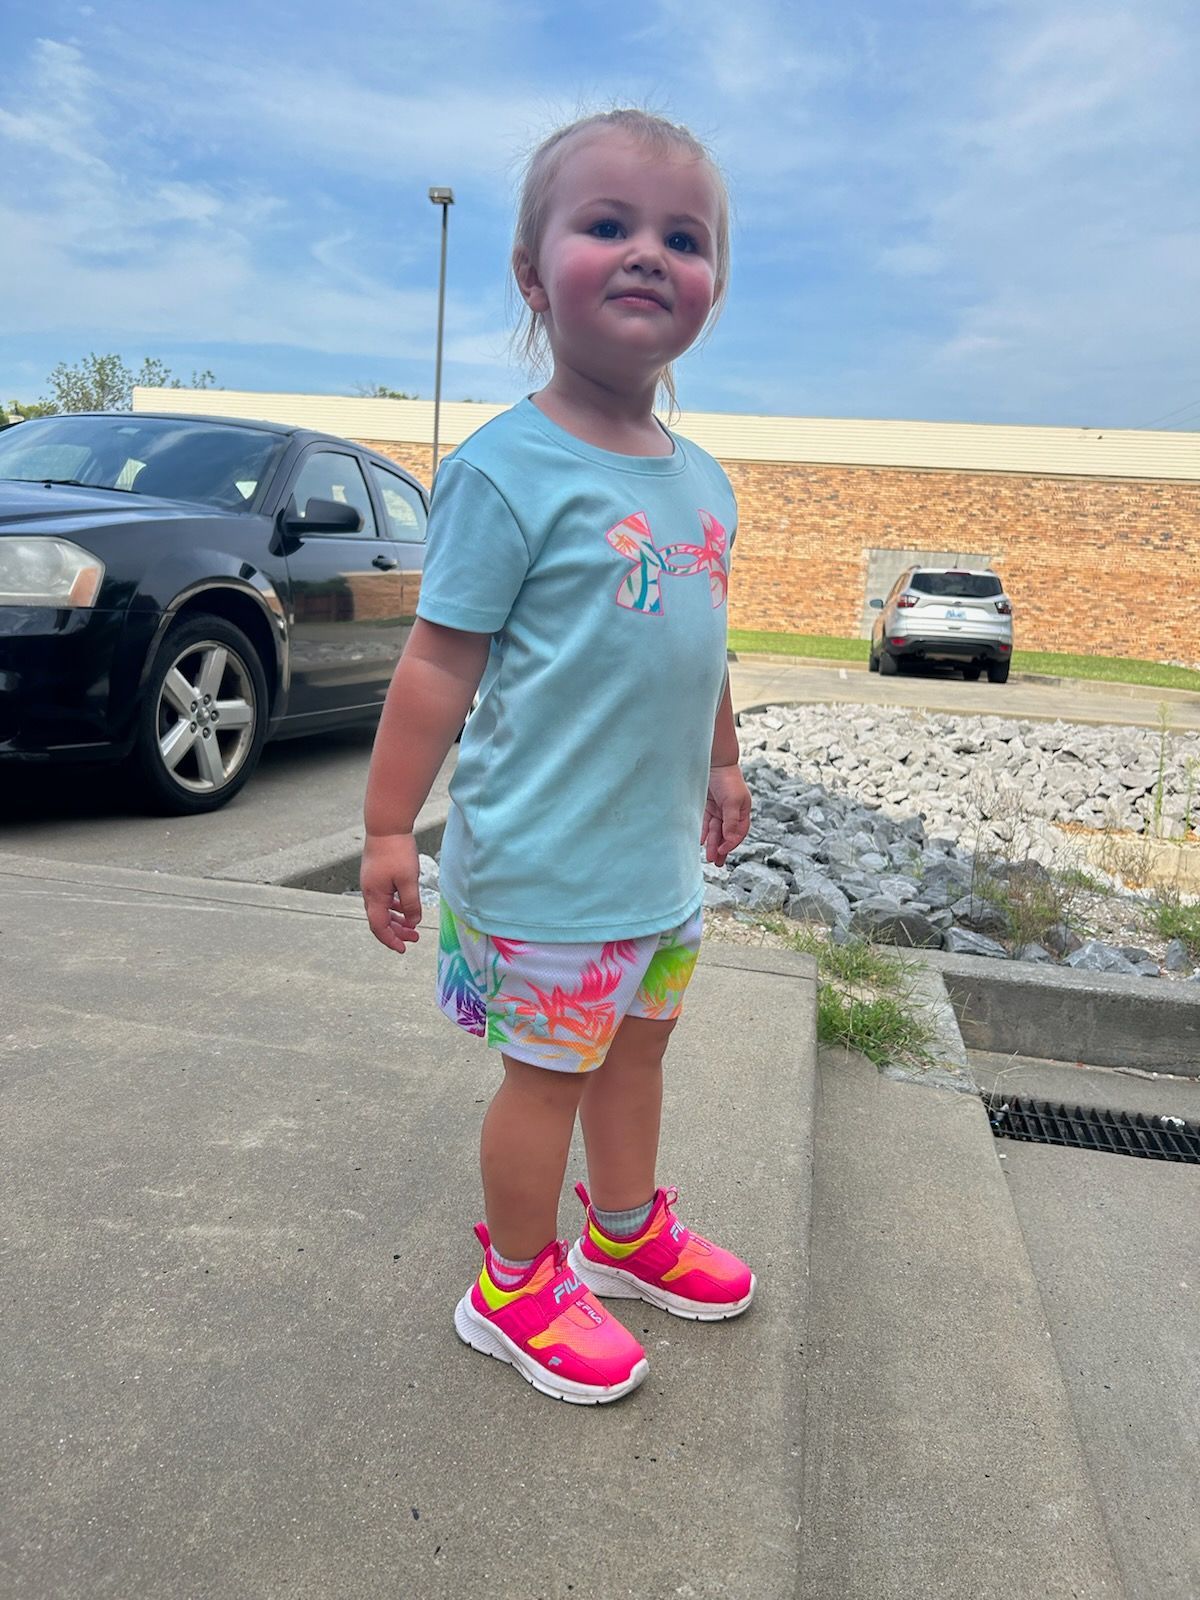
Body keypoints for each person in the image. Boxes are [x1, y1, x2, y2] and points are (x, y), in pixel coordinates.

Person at [360, 108, 754, 1405]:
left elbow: (699, 646)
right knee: (547, 1077)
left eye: (681, 236)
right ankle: (515, 1282)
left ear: (712, 283)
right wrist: (384, 828)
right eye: (607, 225)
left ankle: (626, 1234)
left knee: (636, 1053)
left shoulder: (702, 482)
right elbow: (436, 668)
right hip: (543, 870)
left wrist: (724, 760)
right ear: (533, 276)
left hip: (652, 871)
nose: (648, 252)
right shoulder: (507, 471)